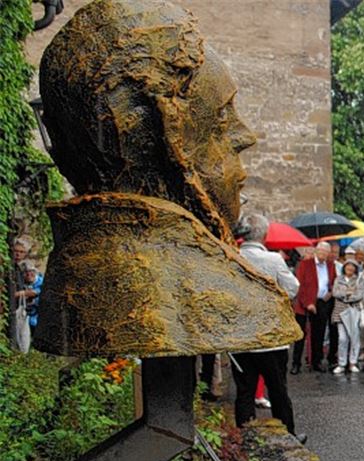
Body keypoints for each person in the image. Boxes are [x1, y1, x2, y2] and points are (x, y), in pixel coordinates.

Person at [34, 0, 301, 359]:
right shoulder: (225, 295)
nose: (245, 135)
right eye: (220, 120)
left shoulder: (69, 275)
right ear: (162, 139)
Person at [233, 213, 304, 443]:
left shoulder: (232, 257)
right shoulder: (273, 260)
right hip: (270, 336)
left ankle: (245, 437)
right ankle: (288, 435)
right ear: (264, 235)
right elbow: (292, 288)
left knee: (244, 391)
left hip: (241, 337)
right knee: (278, 389)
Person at [292, 241, 336, 374]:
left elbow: (334, 281)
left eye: (325, 252)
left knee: (319, 333)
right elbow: (300, 285)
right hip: (304, 303)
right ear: (316, 251)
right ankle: (296, 363)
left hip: (322, 302)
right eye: (321, 251)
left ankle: (316, 362)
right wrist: (308, 303)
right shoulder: (305, 264)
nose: (323, 254)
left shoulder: (330, 265)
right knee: (300, 335)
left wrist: (331, 291)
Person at [331, 259, 364, 374]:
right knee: (342, 338)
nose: (350, 269)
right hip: (340, 311)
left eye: (352, 267)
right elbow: (335, 293)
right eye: (348, 266)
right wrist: (346, 294)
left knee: (354, 337)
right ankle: (341, 363)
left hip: (354, 311)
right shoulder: (338, 279)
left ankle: (352, 362)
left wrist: (350, 297)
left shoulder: (359, 280)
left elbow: (360, 294)